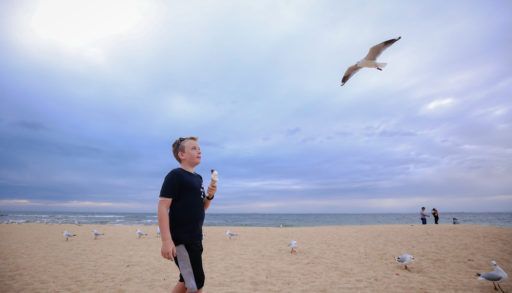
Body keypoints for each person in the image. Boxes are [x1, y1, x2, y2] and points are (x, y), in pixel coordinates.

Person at [157, 137, 217, 293]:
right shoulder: (175, 176)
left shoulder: (198, 178)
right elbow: (163, 207)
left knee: (186, 280)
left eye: (199, 148)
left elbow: (201, 208)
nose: (199, 150)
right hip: (182, 240)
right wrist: (166, 240)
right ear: (181, 155)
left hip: (196, 237)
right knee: (197, 284)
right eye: (193, 148)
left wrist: (210, 196)